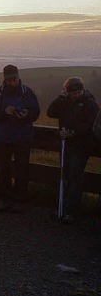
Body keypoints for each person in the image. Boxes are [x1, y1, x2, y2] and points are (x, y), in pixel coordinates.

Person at [0, 64, 40, 209]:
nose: (12, 83)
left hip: (22, 138)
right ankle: (4, 198)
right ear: (5, 79)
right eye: (10, 80)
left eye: (15, 79)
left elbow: (36, 112)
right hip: (2, 138)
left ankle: (20, 199)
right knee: (4, 169)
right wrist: (4, 113)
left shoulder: (27, 92)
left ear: (18, 77)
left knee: (22, 169)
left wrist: (27, 114)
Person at [47, 76, 99, 224]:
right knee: (65, 176)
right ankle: (62, 207)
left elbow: (92, 125)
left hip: (81, 146)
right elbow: (51, 112)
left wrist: (73, 132)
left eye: (78, 92)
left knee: (75, 178)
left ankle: (71, 211)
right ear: (67, 92)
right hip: (66, 145)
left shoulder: (90, 103)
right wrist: (60, 97)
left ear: (83, 90)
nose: (76, 95)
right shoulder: (64, 102)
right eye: (73, 93)